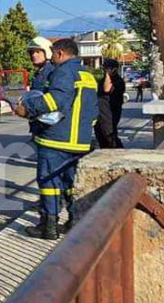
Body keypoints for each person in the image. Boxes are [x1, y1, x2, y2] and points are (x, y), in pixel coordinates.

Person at [15, 38, 98, 240]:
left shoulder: (63, 72)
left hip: (56, 140)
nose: (51, 58)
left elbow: (54, 101)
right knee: (70, 183)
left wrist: (28, 109)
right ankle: (73, 220)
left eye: (52, 53)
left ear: (60, 53)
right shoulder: (87, 75)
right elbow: (93, 112)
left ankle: (48, 226)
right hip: (80, 141)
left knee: (49, 183)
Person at [95, 58, 126, 149]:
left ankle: (119, 153)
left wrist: (108, 74)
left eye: (107, 68)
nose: (104, 70)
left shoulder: (118, 81)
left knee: (110, 135)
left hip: (110, 113)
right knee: (100, 135)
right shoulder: (103, 80)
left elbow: (107, 89)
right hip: (100, 113)